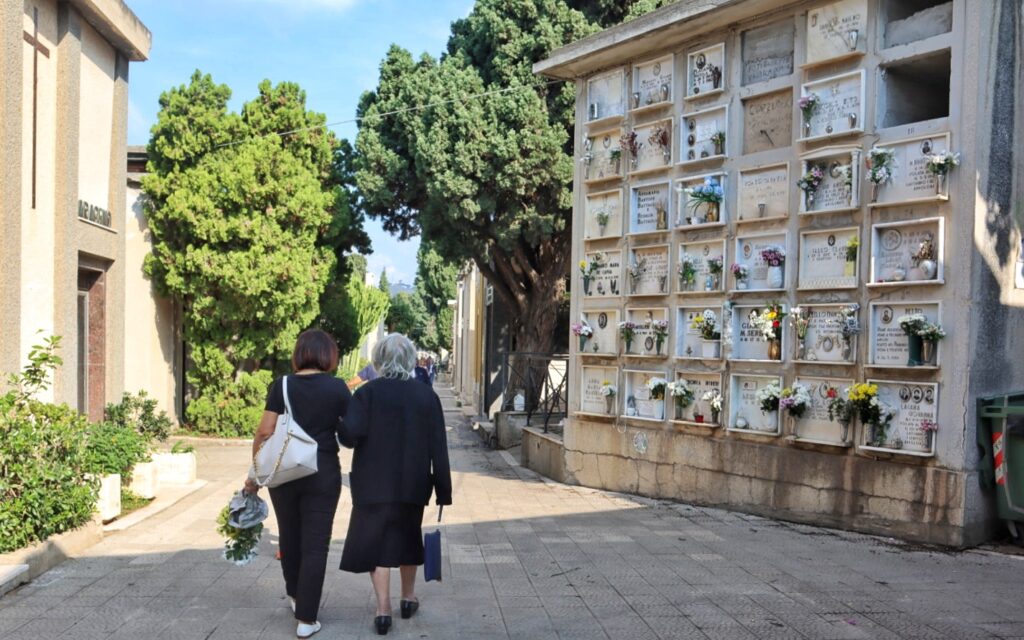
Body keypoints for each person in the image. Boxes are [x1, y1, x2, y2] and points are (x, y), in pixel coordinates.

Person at [338, 334, 453, 636]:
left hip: (371, 484)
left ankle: (382, 610)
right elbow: (438, 448)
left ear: (378, 360)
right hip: (412, 484)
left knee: (377, 544)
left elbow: (348, 437)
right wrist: (443, 491)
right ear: (411, 360)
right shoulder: (426, 396)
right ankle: (408, 598)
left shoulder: (366, 394)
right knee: (407, 537)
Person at [244, 329, 351, 639]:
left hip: (284, 472)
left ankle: (294, 596)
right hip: (323, 473)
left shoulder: (283, 385)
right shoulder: (338, 388)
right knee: (316, 544)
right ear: (329, 355)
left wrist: (255, 475)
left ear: (299, 353)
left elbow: (264, 431)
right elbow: (350, 432)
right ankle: (307, 618)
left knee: (289, 537)